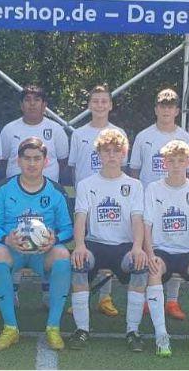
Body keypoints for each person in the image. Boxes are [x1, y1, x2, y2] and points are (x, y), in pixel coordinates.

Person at [0, 137, 73, 351]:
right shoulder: (4, 188)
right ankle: (10, 327)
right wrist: (7, 239)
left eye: (37, 158)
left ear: (46, 161)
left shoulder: (56, 191)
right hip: (13, 249)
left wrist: (55, 239)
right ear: (18, 161)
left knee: (62, 255)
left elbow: (68, 228)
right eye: (27, 158)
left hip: (43, 252)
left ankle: (53, 327)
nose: (32, 163)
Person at [69, 129, 148, 352]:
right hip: (94, 244)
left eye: (116, 151)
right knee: (79, 263)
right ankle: (82, 329)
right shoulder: (86, 184)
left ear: (124, 154)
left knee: (139, 266)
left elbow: (137, 220)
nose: (112, 155)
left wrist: (137, 247)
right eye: (106, 151)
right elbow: (80, 218)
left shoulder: (134, 185)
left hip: (124, 247)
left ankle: (133, 331)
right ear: (99, 155)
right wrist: (79, 245)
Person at [129, 88, 189, 321]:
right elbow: (134, 171)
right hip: (151, 201)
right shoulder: (143, 136)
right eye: (162, 106)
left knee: (177, 239)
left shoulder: (185, 137)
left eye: (171, 106)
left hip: (177, 202)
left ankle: (172, 301)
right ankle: (148, 299)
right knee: (154, 248)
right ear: (156, 109)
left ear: (177, 111)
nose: (166, 110)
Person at [0, 85, 68, 307]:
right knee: (19, 235)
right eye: (27, 99)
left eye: (37, 100)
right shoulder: (9, 129)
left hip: (47, 195)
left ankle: (48, 291)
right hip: (16, 194)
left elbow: (63, 162)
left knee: (44, 238)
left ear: (44, 105)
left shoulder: (56, 130)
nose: (32, 103)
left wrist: (49, 185)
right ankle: (13, 290)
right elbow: (3, 160)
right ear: (21, 104)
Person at [141, 140, 189, 357]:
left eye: (181, 161)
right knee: (154, 270)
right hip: (161, 250)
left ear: (188, 162)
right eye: (171, 161)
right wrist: (150, 254)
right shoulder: (153, 188)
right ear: (164, 163)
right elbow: (146, 225)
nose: (176, 165)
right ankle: (161, 335)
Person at [67, 84, 127, 316]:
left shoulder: (119, 132)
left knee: (110, 238)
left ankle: (105, 297)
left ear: (110, 105)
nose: (100, 105)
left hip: (110, 198)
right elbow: (74, 168)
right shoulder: (79, 134)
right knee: (86, 246)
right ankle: (79, 297)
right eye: (96, 101)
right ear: (89, 105)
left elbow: (122, 167)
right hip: (87, 197)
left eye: (104, 101)